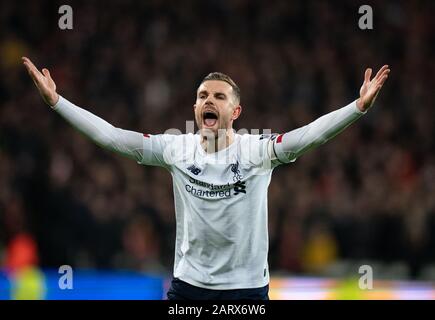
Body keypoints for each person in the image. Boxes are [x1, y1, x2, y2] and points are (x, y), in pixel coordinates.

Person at [22, 56, 390, 300]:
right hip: (189, 288)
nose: (209, 100)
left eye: (218, 96)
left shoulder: (256, 151)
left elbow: (311, 134)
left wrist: (357, 109)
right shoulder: (175, 149)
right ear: (196, 109)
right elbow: (113, 137)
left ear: (236, 110)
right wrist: (57, 102)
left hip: (246, 291)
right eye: (202, 96)